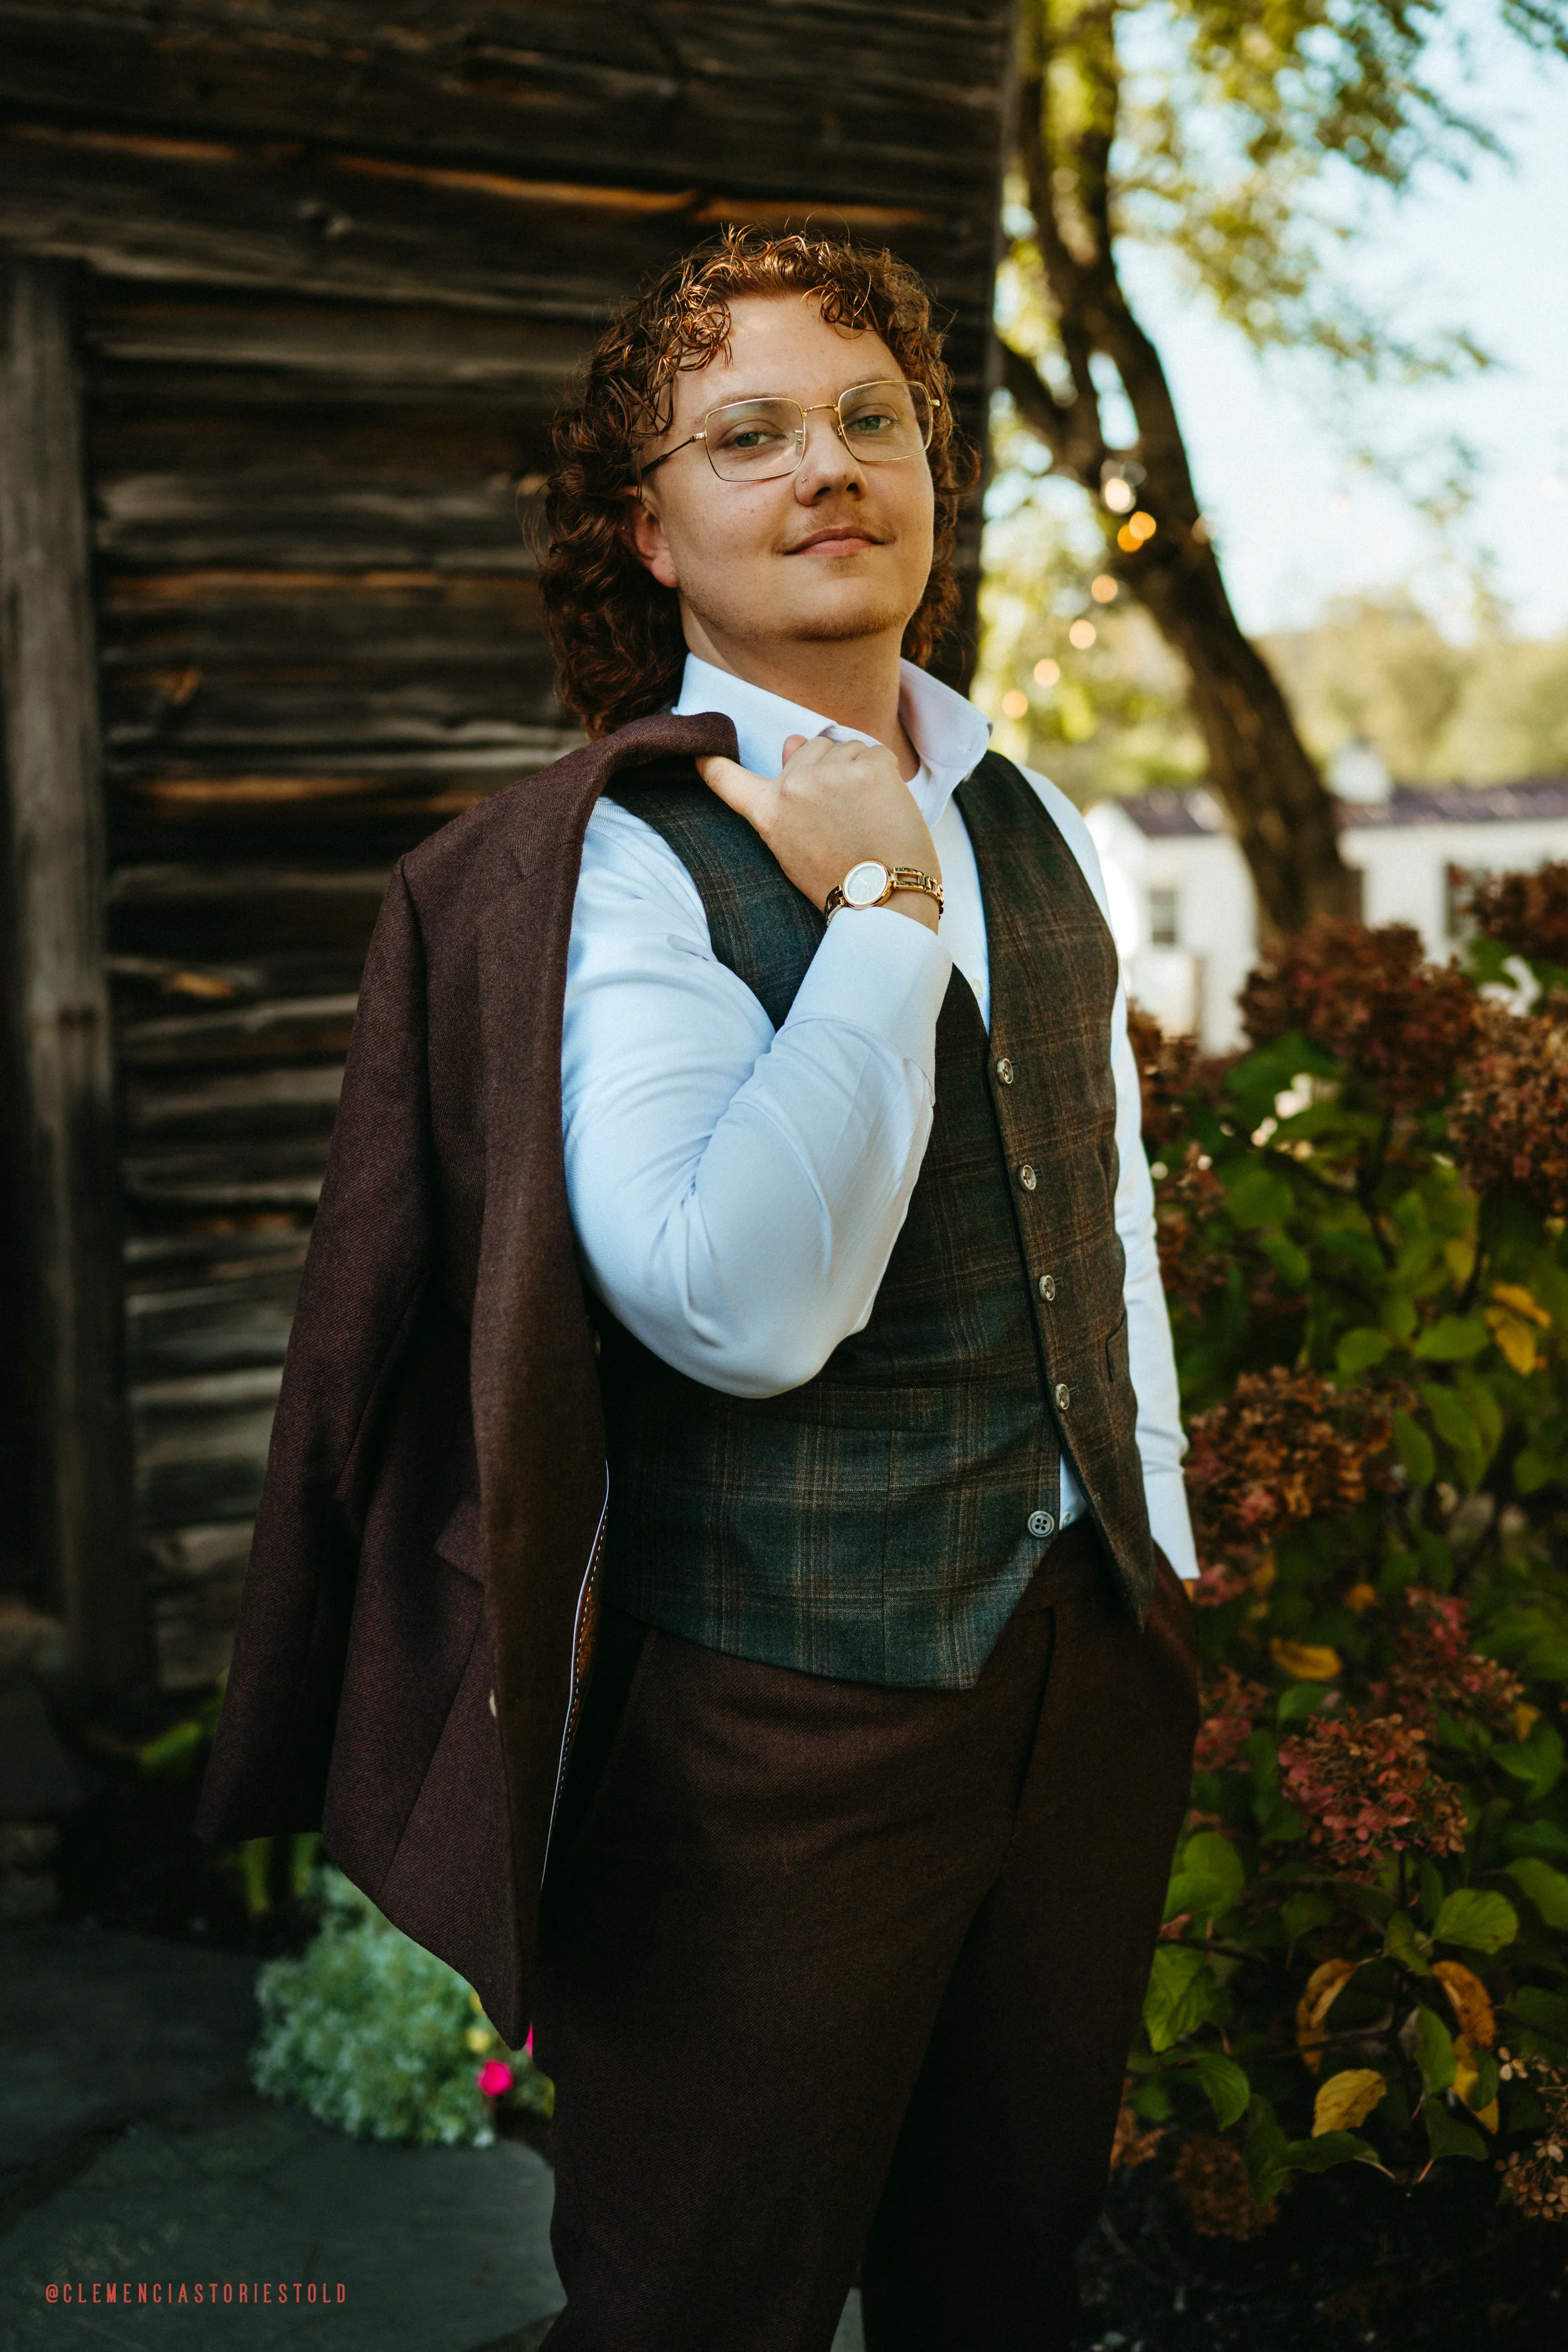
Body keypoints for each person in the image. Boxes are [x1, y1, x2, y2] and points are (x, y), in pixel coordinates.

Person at [198, 228, 1199, 2352]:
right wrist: (877, 917)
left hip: (1079, 1670)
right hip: (779, 1718)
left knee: (997, 2279)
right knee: (695, 2307)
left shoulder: (1026, 807)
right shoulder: (620, 862)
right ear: (647, 531)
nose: (823, 465)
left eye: (867, 418)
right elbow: (739, 1305)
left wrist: (1153, 1548)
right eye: (744, 435)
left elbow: (1093, 1202)